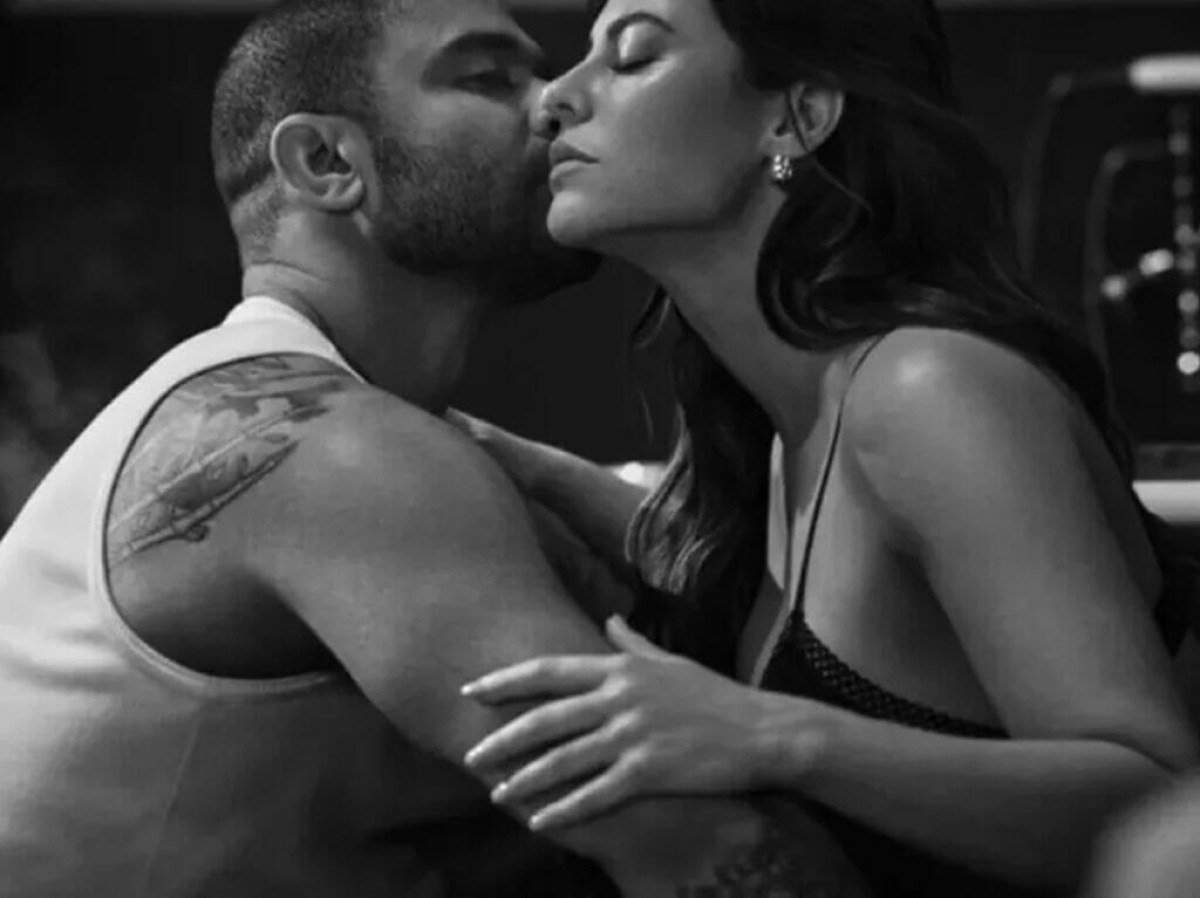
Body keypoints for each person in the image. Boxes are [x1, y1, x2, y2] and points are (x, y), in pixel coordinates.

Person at [0, 0, 877, 895]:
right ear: (327, 162)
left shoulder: (335, 423)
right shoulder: (341, 457)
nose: (553, 101)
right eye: (488, 78)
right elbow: (702, 851)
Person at [453, 0, 1200, 895]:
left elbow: (1151, 797)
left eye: (634, 56)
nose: (555, 98)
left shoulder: (929, 392)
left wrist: (774, 736)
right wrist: (524, 468)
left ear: (796, 118)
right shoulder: (778, 408)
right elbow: (791, 591)